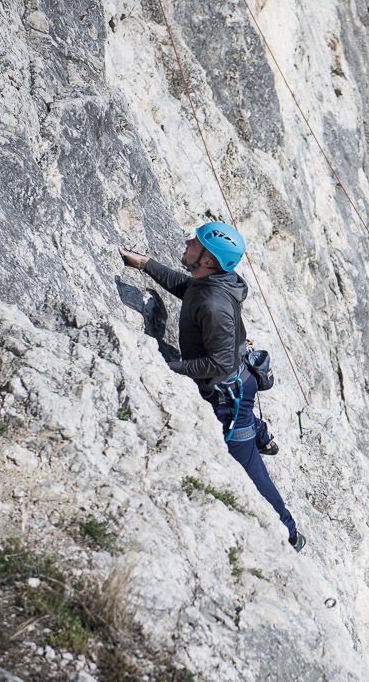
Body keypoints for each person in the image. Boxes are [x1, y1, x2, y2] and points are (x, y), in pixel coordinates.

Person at [118, 223, 305, 552]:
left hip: (226, 400)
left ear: (207, 260)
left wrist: (163, 366)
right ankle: (262, 435)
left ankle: (290, 530)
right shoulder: (209, 283)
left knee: (251, 472)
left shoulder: (215, 304)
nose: (188, 241)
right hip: (237, 384)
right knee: (247, 423)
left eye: (196, 242)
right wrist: (146, 265)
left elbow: (217, 364)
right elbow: (188, 289)